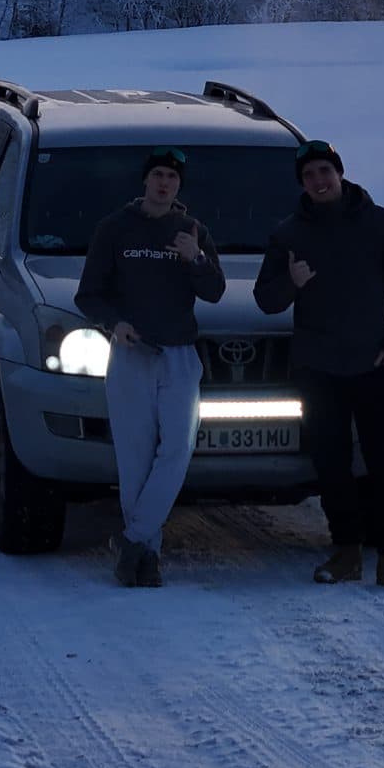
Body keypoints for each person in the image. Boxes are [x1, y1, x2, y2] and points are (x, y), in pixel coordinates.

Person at [254, 138, 384, 589]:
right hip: (318, 369)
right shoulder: (289, 233)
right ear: (301, 184)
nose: (319, 182)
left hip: (371, 365)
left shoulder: (380, 225)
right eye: (309, 176)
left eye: (325, 172)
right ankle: (345, 553)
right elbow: (266, 299)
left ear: (339, 173)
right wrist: (292, 283)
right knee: (331, 463)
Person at [77, 147, 224, 587]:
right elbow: (89, 294)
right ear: (145, 181)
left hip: (179, 357)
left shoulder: (192, 230)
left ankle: (132, 538)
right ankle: (146, 557)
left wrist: (195, 258)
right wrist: (114, 322)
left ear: (179, 186)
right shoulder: (115, 229)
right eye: (158, 175)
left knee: (176, 450)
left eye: (172, 178)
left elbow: (215, 290)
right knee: (135, 459)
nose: (164, 183)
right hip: (132, 355)